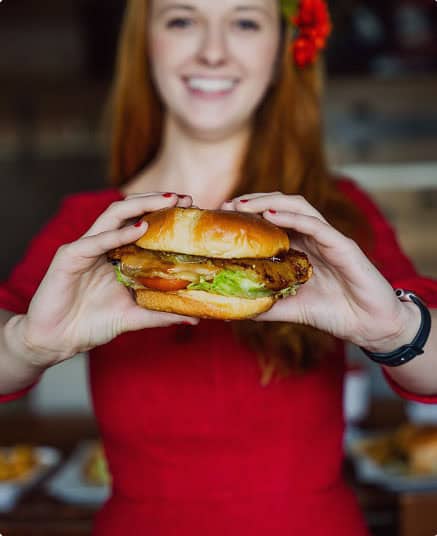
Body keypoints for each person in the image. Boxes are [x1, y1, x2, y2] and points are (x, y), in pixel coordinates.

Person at [0, 0, 436, 534]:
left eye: (245, 22)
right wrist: (25, 345)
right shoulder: (92, 226)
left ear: (281, 49)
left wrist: (394, 329)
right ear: (145, 44)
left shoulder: (333, 216)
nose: (212, 50)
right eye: (182, 20)